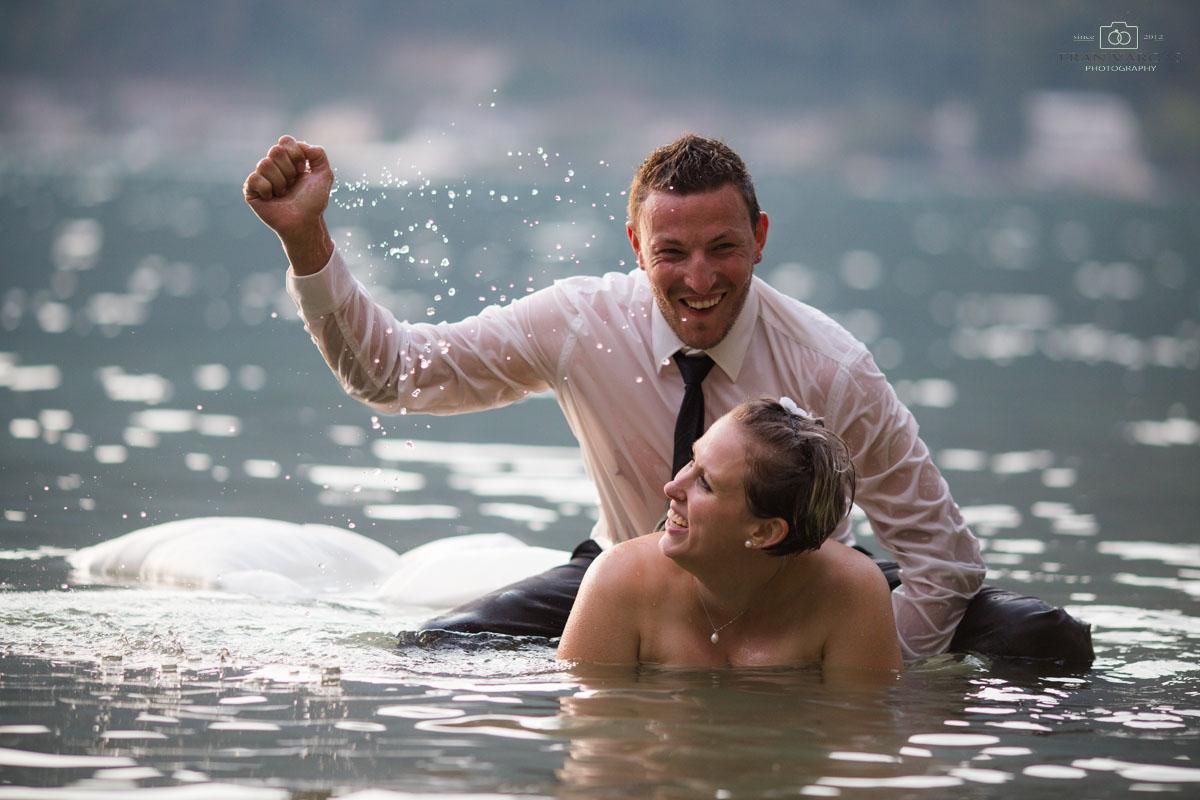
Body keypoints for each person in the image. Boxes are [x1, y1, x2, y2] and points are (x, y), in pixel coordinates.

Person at [243, 132, 1093, 664]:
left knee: (1044, 638)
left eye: (723, 246)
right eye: (671, 252)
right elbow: (396, 374)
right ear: (634, 246)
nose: (698, 279)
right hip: (624, 571)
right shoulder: (579, 322)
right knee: (433, 652)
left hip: (800, 583)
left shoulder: (832, 367)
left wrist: (853, 665)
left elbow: (944, 560)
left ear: (759, 239)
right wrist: (307, 240)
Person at [557, 398, 903, 671]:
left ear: (765, 531)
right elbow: (593, 744)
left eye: (705, 483)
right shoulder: (618, 580)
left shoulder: (852, 593)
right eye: (692, 460)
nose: (672, 486)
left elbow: (861, 742)